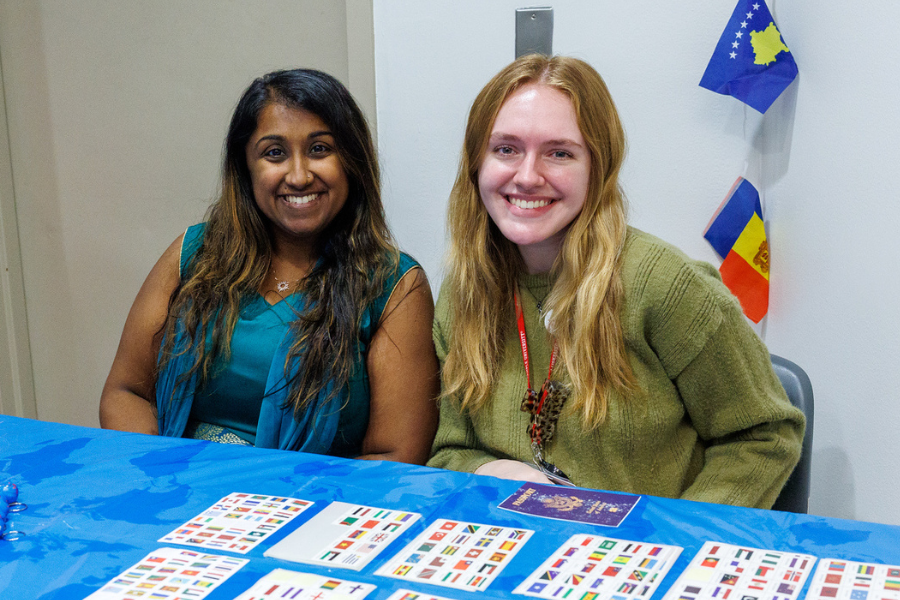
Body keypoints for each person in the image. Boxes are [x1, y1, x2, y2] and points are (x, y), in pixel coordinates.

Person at [427, 54, 804, 508]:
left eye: (560, 153)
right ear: (476, 163)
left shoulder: (666, 286)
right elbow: (449, 451)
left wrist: (679, 536)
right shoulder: (464, 290)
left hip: (646, 557)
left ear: (598, 169)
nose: (527, 176)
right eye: (506, 149)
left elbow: (764, 435)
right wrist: (492, 470)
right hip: (522, 546)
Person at [100, 68, 438, 463]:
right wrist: (170, 474)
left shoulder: (394, 287)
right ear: (246, 166)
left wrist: (263, 501)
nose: (298, 176)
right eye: (274, 153)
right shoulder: (194, 255)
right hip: (181, 492)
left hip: (312, 508)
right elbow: (125, 393)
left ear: (351, 161)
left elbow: (396, 455)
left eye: (319, 149)